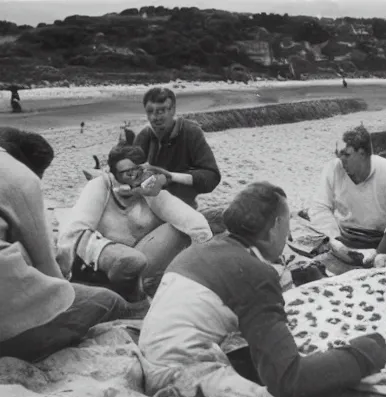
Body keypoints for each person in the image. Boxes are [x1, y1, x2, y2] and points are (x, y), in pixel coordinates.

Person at [137, 182, 386, 397]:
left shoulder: (205, 249)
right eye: (286, 223)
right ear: (274, 227)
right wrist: (364, 354)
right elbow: (289, 382)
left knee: (256, 361)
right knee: (261, 395)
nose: (289, 232)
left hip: (150, 355)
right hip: (179, 377)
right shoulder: (253, 272)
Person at [0, 127, 146, 362]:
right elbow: (48, 268)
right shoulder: (21, 178)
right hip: (7, 328)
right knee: (107, 301)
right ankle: (137, 313)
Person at [57, 144, 213, 301]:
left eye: (138, 171)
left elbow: (190, 219)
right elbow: (73, 232)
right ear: (113, 173)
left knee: (183, 227)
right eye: (127, 173)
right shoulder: (100, 185)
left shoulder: (148, 187)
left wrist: (202, 260)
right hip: (107, 267)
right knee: (130, 261)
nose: (134, 177)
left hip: (142, 264)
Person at [309, 125, 386, 267]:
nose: (341, 161)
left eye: (346, 155)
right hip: (345, 237)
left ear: (363, 153)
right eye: (338, 154)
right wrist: (333, 237)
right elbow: (320, 206)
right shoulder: (333, 168)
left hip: (384, 238)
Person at [133, 87, 221, 207]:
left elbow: (212, 177)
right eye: (150, 111)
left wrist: (172, 176)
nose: (154, 117)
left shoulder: (190, 133)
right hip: (148, 207)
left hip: (182, 208)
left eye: (161, 111)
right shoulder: (144, 135)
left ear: (173, 110)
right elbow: (129, 174)